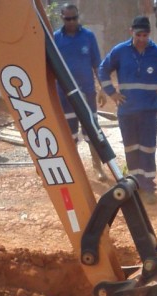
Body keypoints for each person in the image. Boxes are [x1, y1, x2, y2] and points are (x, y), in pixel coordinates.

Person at [98, 16, 157, 204]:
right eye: (138, 35)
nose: (142, 39)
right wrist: (112, 93)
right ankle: (135, 185)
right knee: (131, 148)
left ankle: (148, 187)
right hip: (126, 111)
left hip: (148, 110)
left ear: (149, 34)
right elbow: (103, 70)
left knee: (147, 148)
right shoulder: (120, 51)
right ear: (131, 31)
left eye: (145, 35)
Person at [54, 3, 108, 182]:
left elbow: (97, 63)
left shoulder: (88, 36)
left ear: (78, 17)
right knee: (70, 134)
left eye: (74, 18)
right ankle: (74, 170)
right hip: (64, 95)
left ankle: (97, 167)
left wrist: (102, 88)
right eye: (68, 19)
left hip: (86, 93)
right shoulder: (55, 38)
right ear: (62, 18)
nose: (71, 22)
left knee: (91, 130)